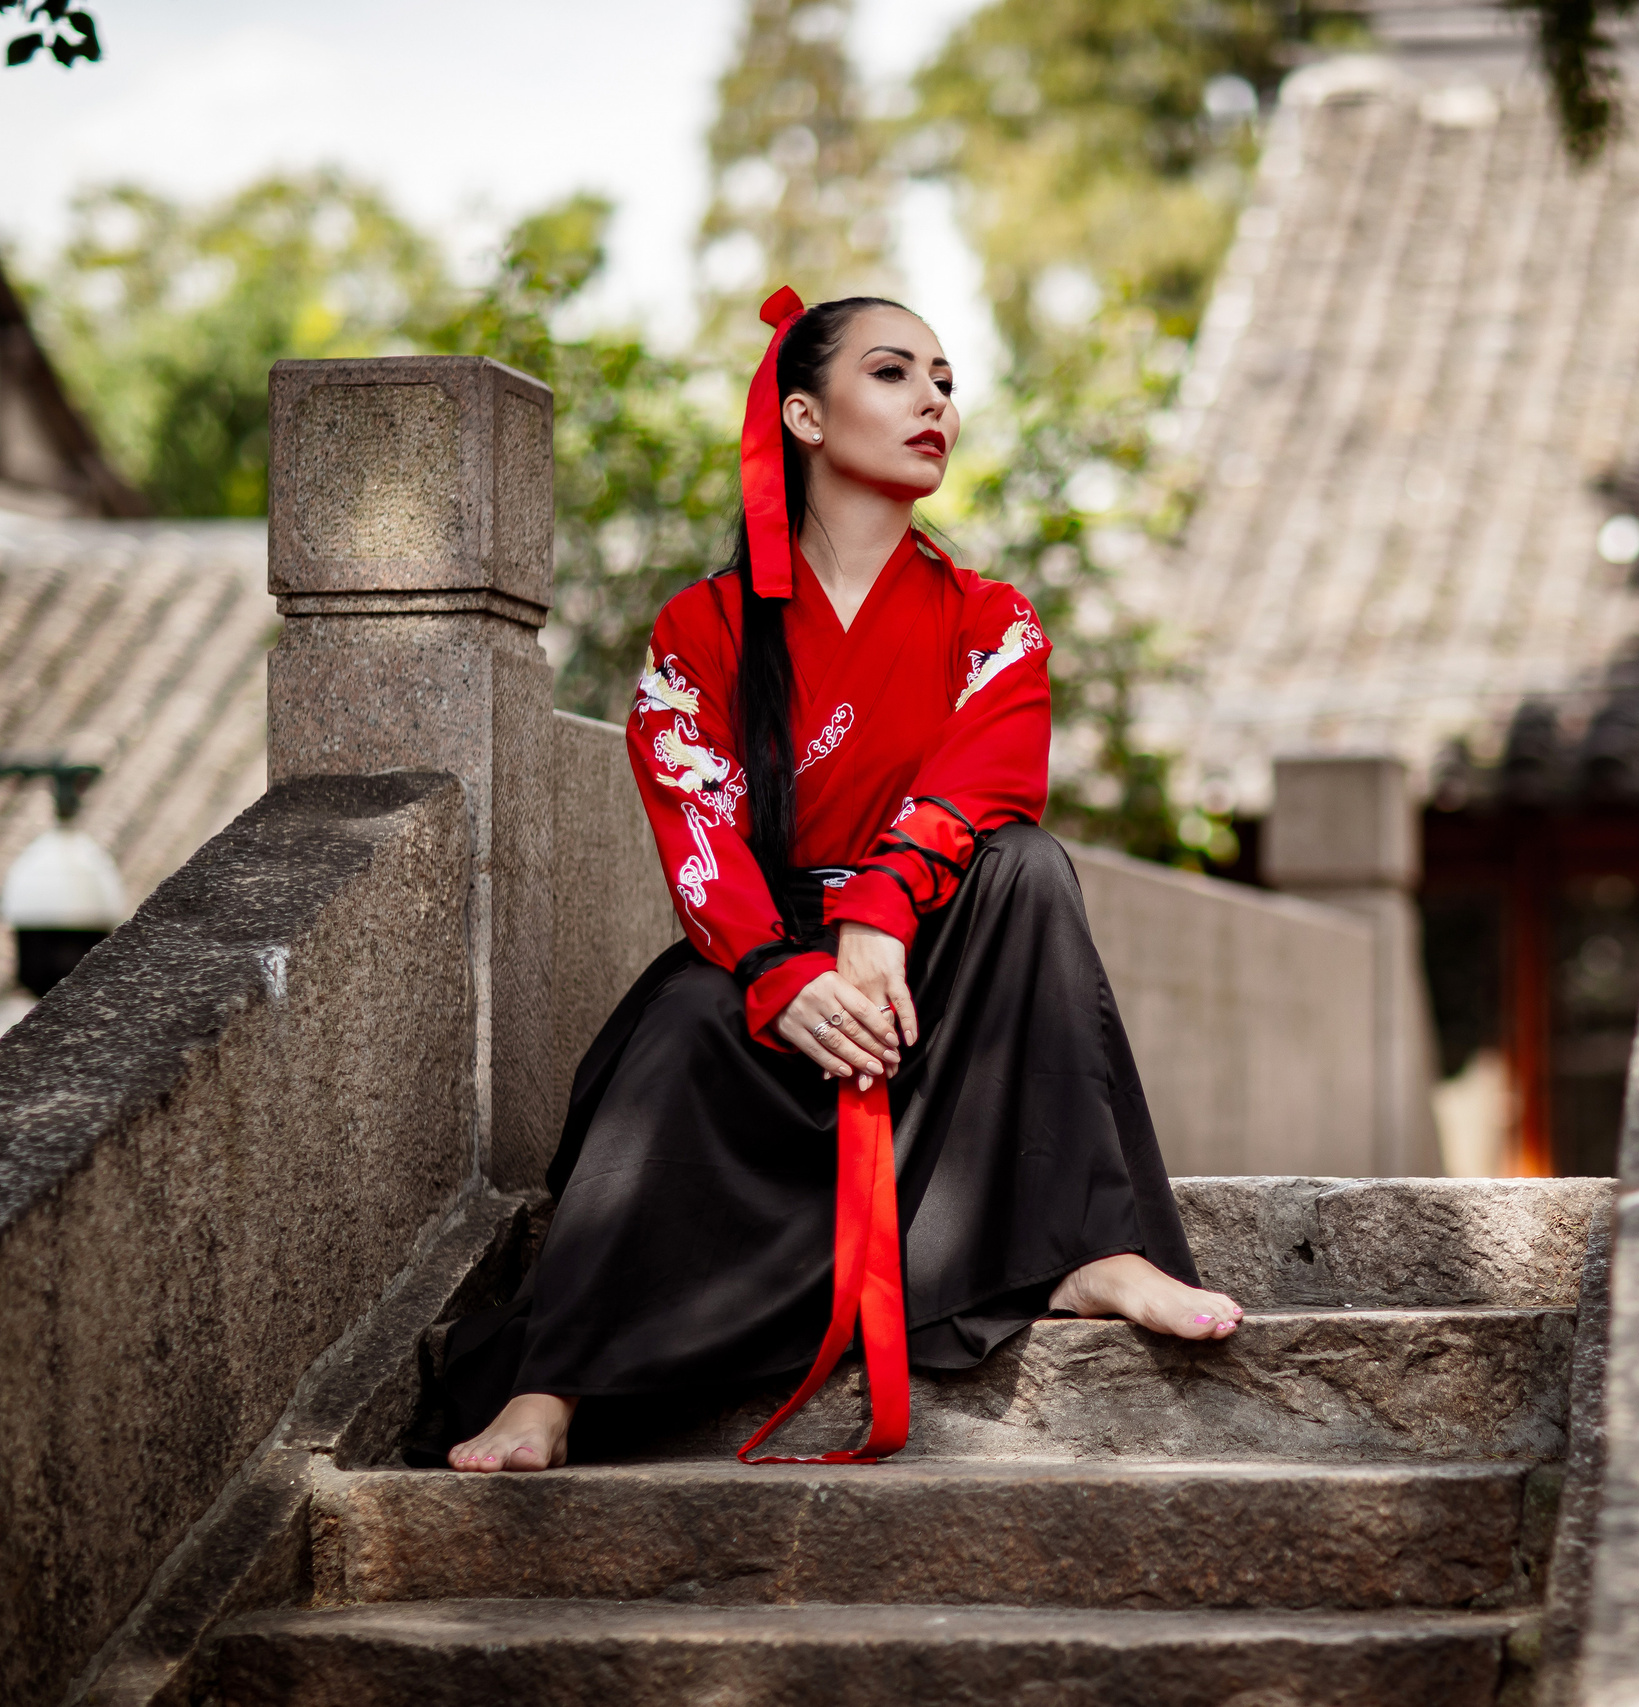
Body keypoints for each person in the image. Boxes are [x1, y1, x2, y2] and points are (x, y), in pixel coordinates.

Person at [443, 290, 1241, 1474]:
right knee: (682, 1024)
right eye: (893, 373)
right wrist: (778, 970)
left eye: (946, 380)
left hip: (932, 974)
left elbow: (993, 781)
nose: (934, 400)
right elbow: (694, 819)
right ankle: (552, 1385)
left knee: (1027, 871)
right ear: (804, 415)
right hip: (768, 968)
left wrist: (879, 914)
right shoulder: (703, 628)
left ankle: (1089, 1247)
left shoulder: (991, 621)